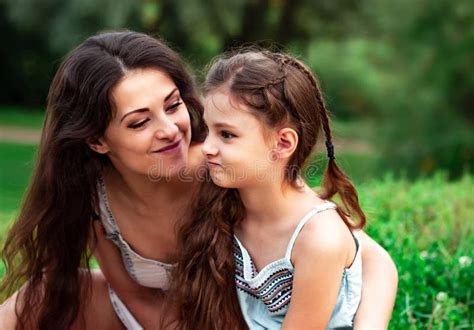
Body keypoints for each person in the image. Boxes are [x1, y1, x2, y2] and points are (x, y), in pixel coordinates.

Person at [0, 31, 397, 329]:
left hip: (224, 322)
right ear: (98, 140)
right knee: (38, 296)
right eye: (139, 122)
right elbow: (132, 292)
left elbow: (366, 256)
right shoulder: (93, 193)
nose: (171, 130)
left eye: (173, 105)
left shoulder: (225, 167)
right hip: (156, 319)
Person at [170, 49, 395, 329]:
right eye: (208, 130)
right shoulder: (226, 196)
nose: (207, 148)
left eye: (227, 135)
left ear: (283, 144)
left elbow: (376, 260)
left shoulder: (317, 238)